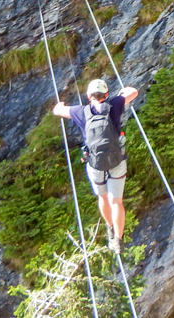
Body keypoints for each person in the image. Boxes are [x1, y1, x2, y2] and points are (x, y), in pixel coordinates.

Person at [53, 78, 138, 255]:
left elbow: (57, 110)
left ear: (88, 96)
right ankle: (118, 240)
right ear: (106, 95)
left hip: (95, 164)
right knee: (117, 202)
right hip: (117, 161)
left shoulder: (80, 111)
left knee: (103, 197)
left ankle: (110, 227)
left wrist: (61, 104)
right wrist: (120, 95)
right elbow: (133, 91)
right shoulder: (114, 104)